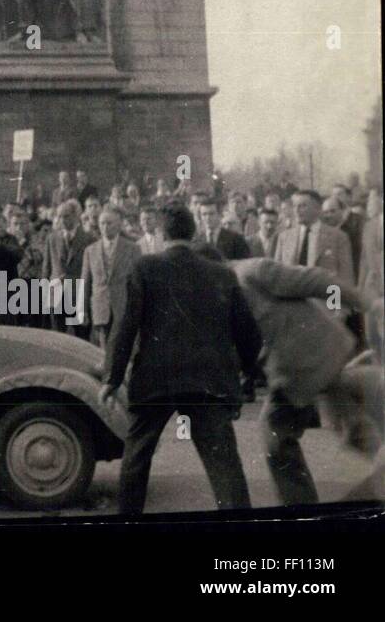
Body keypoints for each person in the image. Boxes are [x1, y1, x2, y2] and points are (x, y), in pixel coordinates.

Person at [101, 202, 263, 515]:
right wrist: (244, 374)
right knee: (225, 468)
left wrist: (113, 378)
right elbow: (249, 334)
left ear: (160, 233)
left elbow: (125, 328)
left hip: (154, 378)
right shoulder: (222, 273)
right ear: (195, 232)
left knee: (136, 459)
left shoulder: (145, 268)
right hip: (208, 381)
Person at [224, 255, 377, 506]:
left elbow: (317, 281)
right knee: (351, 430)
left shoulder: (252, 272)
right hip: (295, 371)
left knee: (276, 435)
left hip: (315, 356)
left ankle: (300, 510)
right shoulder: (222, 295)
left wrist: (364, 301)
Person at [80, 206, 137, 348]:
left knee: (124, 348)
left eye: (109, 223)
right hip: (100, 307)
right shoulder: (90, 250)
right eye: (102, 223)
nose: (105, 227)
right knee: (103, 349)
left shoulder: (132, 248)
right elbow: (85, 282)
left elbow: (137, 282)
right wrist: (82, 309)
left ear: (119, 225)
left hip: (123, 307)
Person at [274, 191, 354, 292]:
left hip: (324, 300)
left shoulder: (338, 237)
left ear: (317, 209)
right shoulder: (284, 237)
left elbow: (346, 277)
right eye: (295, 206)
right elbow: (276, 274)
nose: (297, 210)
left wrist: (336, 306)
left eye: (303, 206)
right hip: (292, 301)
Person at [43, 198, 94, 337]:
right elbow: (46, 269)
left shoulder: (89, 238)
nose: (62, 220)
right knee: (58, 338)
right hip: (56, 294)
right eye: (59, 216)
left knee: (81, 337)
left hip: (79, 295)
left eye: (66, 216)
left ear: (76, 216)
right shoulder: (51, 238)